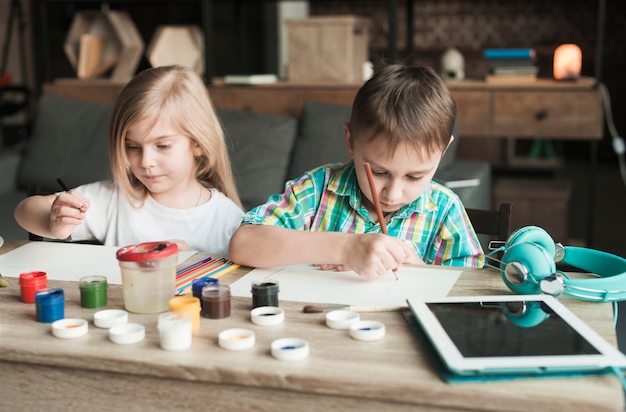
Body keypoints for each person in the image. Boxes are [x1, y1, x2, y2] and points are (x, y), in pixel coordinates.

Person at [229, 61, 484, 280]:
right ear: (350, 141)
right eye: (379, 172)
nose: (392, 195)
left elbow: (469, 290)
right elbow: (243, 244)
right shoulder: (317, 190)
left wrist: (418, 270)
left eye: (414, 176)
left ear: (444, 150)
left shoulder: (445, 210)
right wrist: (345, 247)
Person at [14, 65, 243, 255]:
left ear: (198, 144)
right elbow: (24, 211)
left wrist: (191, 260)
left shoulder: (228, 219)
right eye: (133, 147)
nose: (146, 161)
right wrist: (53, 222)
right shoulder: (113, 200)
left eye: (162, 145)